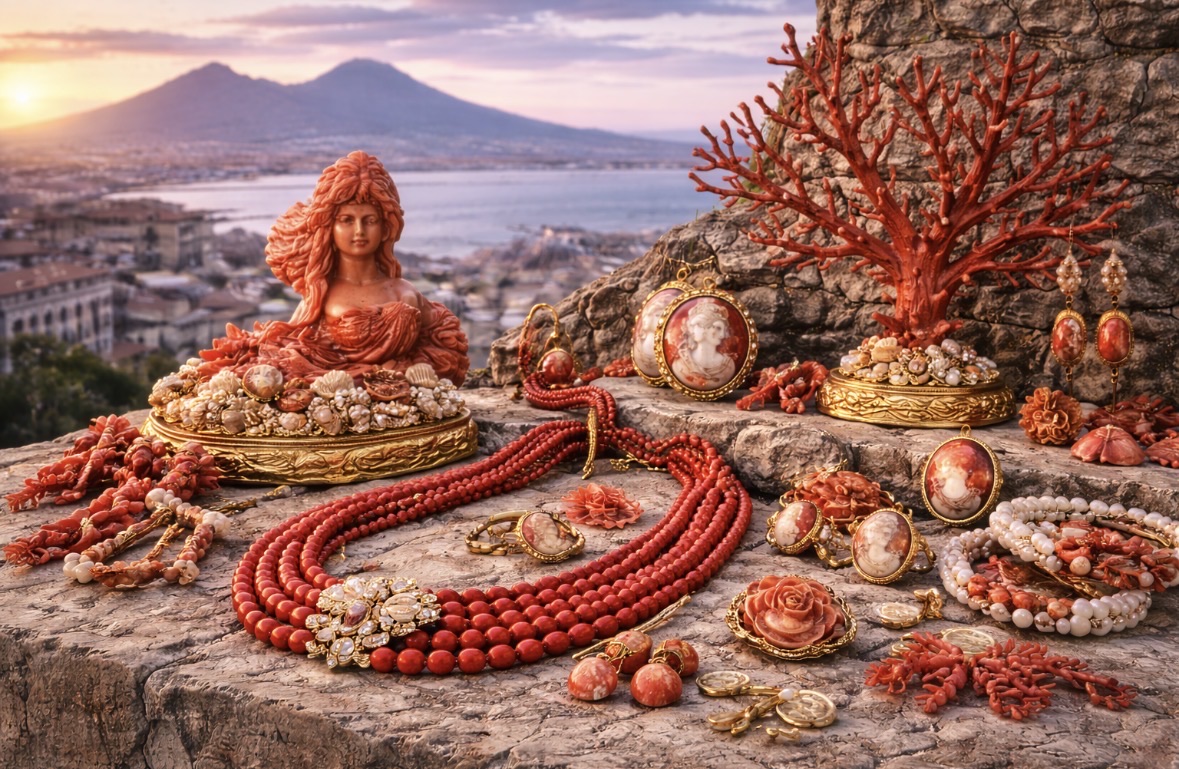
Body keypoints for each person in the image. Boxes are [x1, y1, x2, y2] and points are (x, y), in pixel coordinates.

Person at [197, 151, 469, 384]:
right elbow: (288, 348)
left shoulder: (404, 292)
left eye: (370, 220)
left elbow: (446, 345)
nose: (359, 231)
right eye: (347, 220)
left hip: (393, 410)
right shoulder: (320, 294)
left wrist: (415, 370)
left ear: (386, 227)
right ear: (330, 227)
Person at [670, 299, 736, 390]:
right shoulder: (680, 363)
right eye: (718, 328)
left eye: (723, 330)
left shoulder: (728, 366)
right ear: (702, 328)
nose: (722, 335)